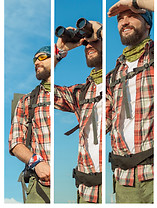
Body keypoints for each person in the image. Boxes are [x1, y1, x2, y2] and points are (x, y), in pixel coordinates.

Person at [106, 0, 154, 203]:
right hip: (124, 178)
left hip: (156, 171)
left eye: (132, 15)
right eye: (119, 19)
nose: (124, 21)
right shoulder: (115, 74)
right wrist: (60, 51)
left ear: (148, 24)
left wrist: (134, 1)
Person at [54, 20, 103, 203]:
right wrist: (59, 51)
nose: (88, 44)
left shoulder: (121, 79)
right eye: (85, 41)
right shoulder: (81, 93)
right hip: (87, 190)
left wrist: (100, 31)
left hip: (123, 184)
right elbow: (46, 92)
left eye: (94, 39)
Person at [9, 46, 52, 203]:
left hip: (79, 183)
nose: (36, 62)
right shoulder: (26, 101)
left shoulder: (73, 92)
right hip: (40, 184)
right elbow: (15, 143)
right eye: (35, 59)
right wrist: (36, 163)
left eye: (41, 58)